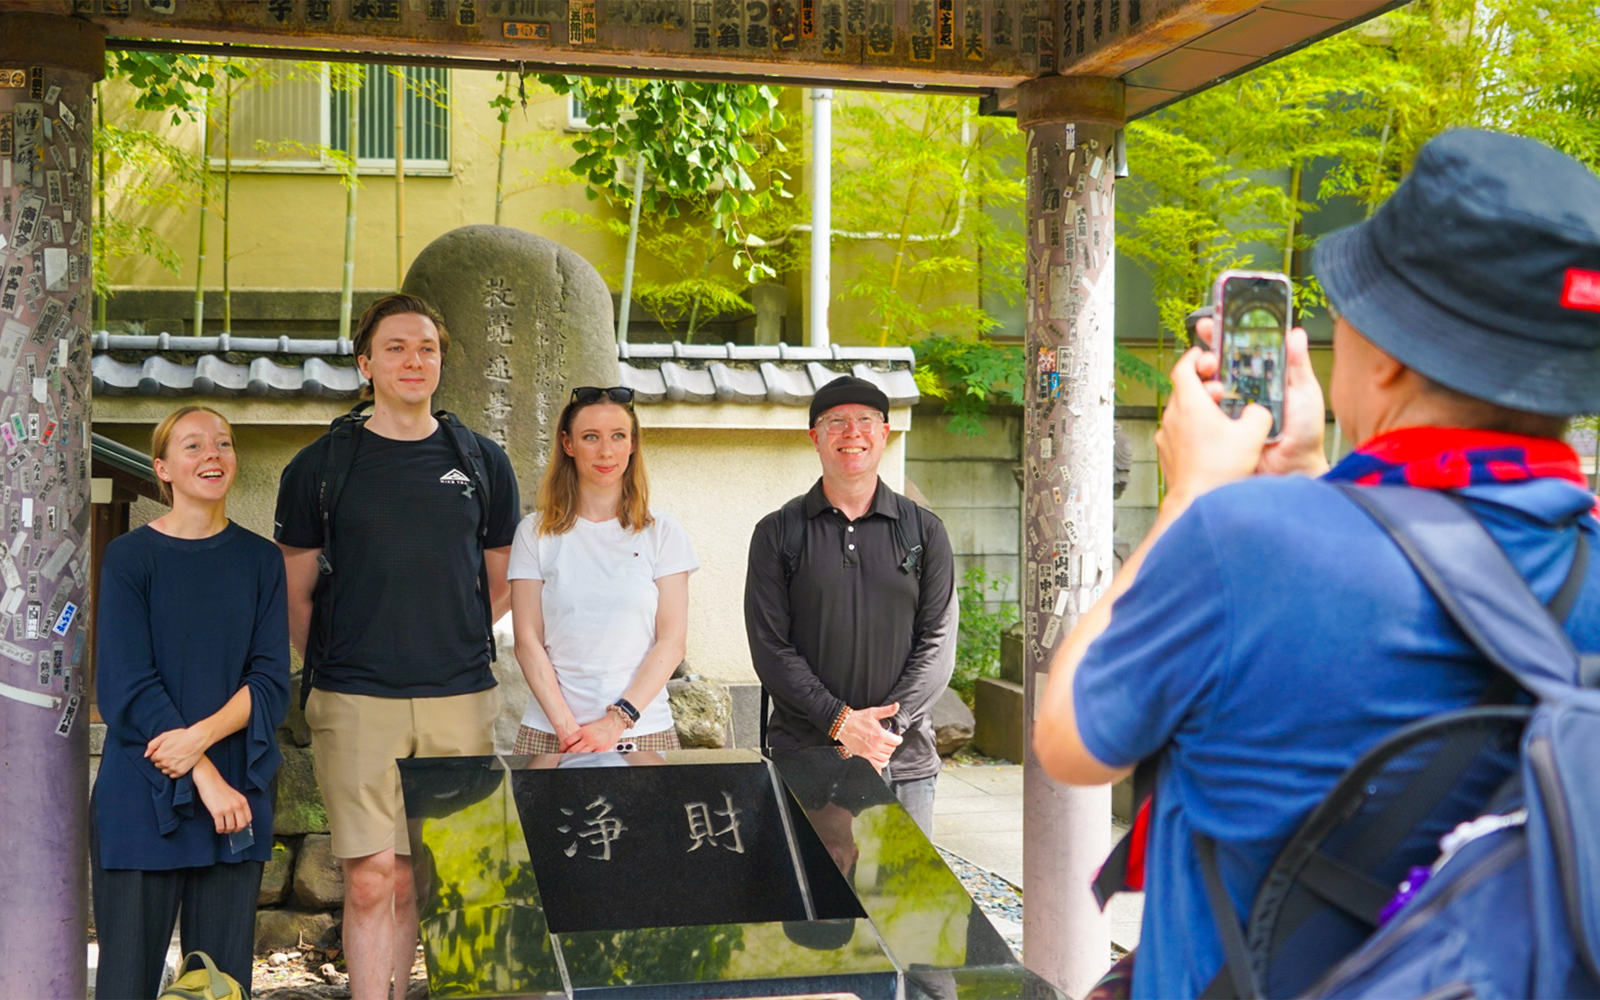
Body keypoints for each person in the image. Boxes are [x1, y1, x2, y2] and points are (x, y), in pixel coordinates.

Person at [1035, 128, 1600, 999]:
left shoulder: (1244, 543)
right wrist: (1308, 479)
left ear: (1391, 358)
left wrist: (1197, 495)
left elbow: (1070, 740)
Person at [275, 293, 520, 1000]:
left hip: (461, 697)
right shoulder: (319, 467)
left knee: (419, 871)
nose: (414, 361)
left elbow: (497, 583)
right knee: (370, 872)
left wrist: (446, 636)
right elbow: (296, 595)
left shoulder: (481, 462)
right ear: (365, 363)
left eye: (427, 349)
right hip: (354, 699)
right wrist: (344, 658)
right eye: (396, 348)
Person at [93, 405, 289, 999]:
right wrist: (203, 774)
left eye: (224, 444)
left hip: (237, 792)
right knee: (127, 981)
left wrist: (201, 744)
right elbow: (126, 686)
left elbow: (270, 681)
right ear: (163, 469)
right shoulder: (131, 558)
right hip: (145, 792)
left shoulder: (260, 560)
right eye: (194, 446)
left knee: (221, 984)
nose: (213, 455)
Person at [745, 375, 957, 834]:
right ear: (814, 437)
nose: (852, 432)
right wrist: (840, 721)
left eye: (865, 420)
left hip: (902, 760)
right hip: (806, 759)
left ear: (884, 433)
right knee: (815, 904)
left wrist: (884, 730)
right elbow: (770, 647)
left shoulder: (923, 532)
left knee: (900, 903)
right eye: (836, 421)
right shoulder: (778, 533)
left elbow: (938, 642)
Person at [507, 385, 697, 753]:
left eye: (618, 436)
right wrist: (569, 731)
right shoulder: (534, 532)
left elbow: (672, 642)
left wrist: (616, 721)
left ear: (633, 444)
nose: (606, 451)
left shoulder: (663, 532)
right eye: (590, 437)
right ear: (568, 444)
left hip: (642, 730)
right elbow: (527, 640)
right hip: (552, 732)